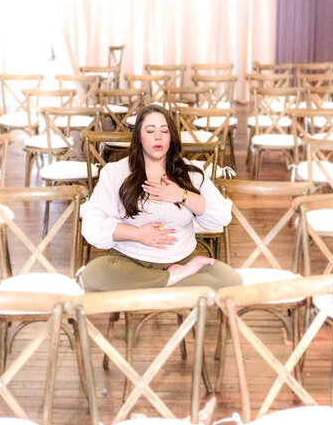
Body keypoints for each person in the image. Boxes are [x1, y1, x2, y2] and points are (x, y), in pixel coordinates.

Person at [80, 104, 241, 292]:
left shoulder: (190, 173)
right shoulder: (115, 172)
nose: (158, 137)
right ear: (138, 136)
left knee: (230, 280)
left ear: (171, 137)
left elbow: (222, 216)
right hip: (130, 264)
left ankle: (151, 287)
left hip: (182, 259)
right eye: (150, 131)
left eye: (164, 131)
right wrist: (138, 234)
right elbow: (92, 226)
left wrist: (182, 195)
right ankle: (174, 279)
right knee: (94, 273)